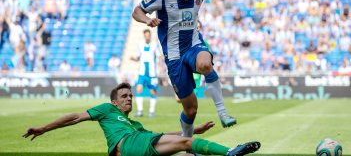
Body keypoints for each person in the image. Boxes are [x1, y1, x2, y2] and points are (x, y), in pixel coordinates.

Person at [132, 0, 260, 137]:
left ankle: (222, 112)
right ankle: (187, 142)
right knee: (191, 110)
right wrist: (147, 20)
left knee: (205, 64)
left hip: (194, 46)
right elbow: (137, 11)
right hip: (174, 58)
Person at [23, 82, 261, 156]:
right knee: (187, 146)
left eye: (131, 96)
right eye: (124, 96)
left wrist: (194, 130)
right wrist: (44, 128)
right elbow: (75, 116)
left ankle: (227, 152)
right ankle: (230, 152)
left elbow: (158, 135)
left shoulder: (132, 123)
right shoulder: (107, 109)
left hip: (136, 141)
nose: (129, 99)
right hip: (126, 145)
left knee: (188, 149)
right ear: (115, 101)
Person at [130, 29, 160, 118]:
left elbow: (159, 56)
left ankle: (151, 111)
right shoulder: (140, 45)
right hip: (142, 72)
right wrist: (133, 59)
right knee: (138, 89)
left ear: (150, 36)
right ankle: (140, 111)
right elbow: (138, 57)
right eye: (145, 35)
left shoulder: (155, 45)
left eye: (148, 35)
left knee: (153, 92)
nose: (147, 37)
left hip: (152, 73)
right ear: (144, 36)